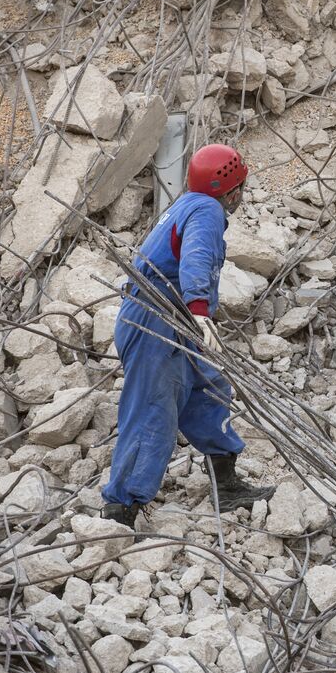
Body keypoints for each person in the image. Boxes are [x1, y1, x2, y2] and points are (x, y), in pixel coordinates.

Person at [100, 143, 271, 527]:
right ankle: (120, 508)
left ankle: (225, 483)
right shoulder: (207, 210)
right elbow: (196, 257)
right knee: (153, 409)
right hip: (156, 323)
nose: (242, 193)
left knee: (209, 389)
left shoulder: (189, 204)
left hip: (174, 320)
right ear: (231, 190)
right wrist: (199, 309)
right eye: (241, 187)